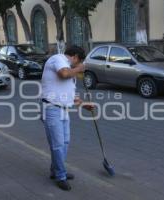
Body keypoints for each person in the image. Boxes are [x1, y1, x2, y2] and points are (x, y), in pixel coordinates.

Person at [41, 46, 94, 191]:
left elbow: (70, 95)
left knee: (64, 142)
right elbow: (63, 74)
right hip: (52, 109)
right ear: (75, 57)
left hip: (63, 110)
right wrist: (79, 69)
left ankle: (56, 169)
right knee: (58, 145)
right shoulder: (58, 59)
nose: (78, 66)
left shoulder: (70, 70)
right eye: (79, 62)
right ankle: (60, 176)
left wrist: (84, 105)